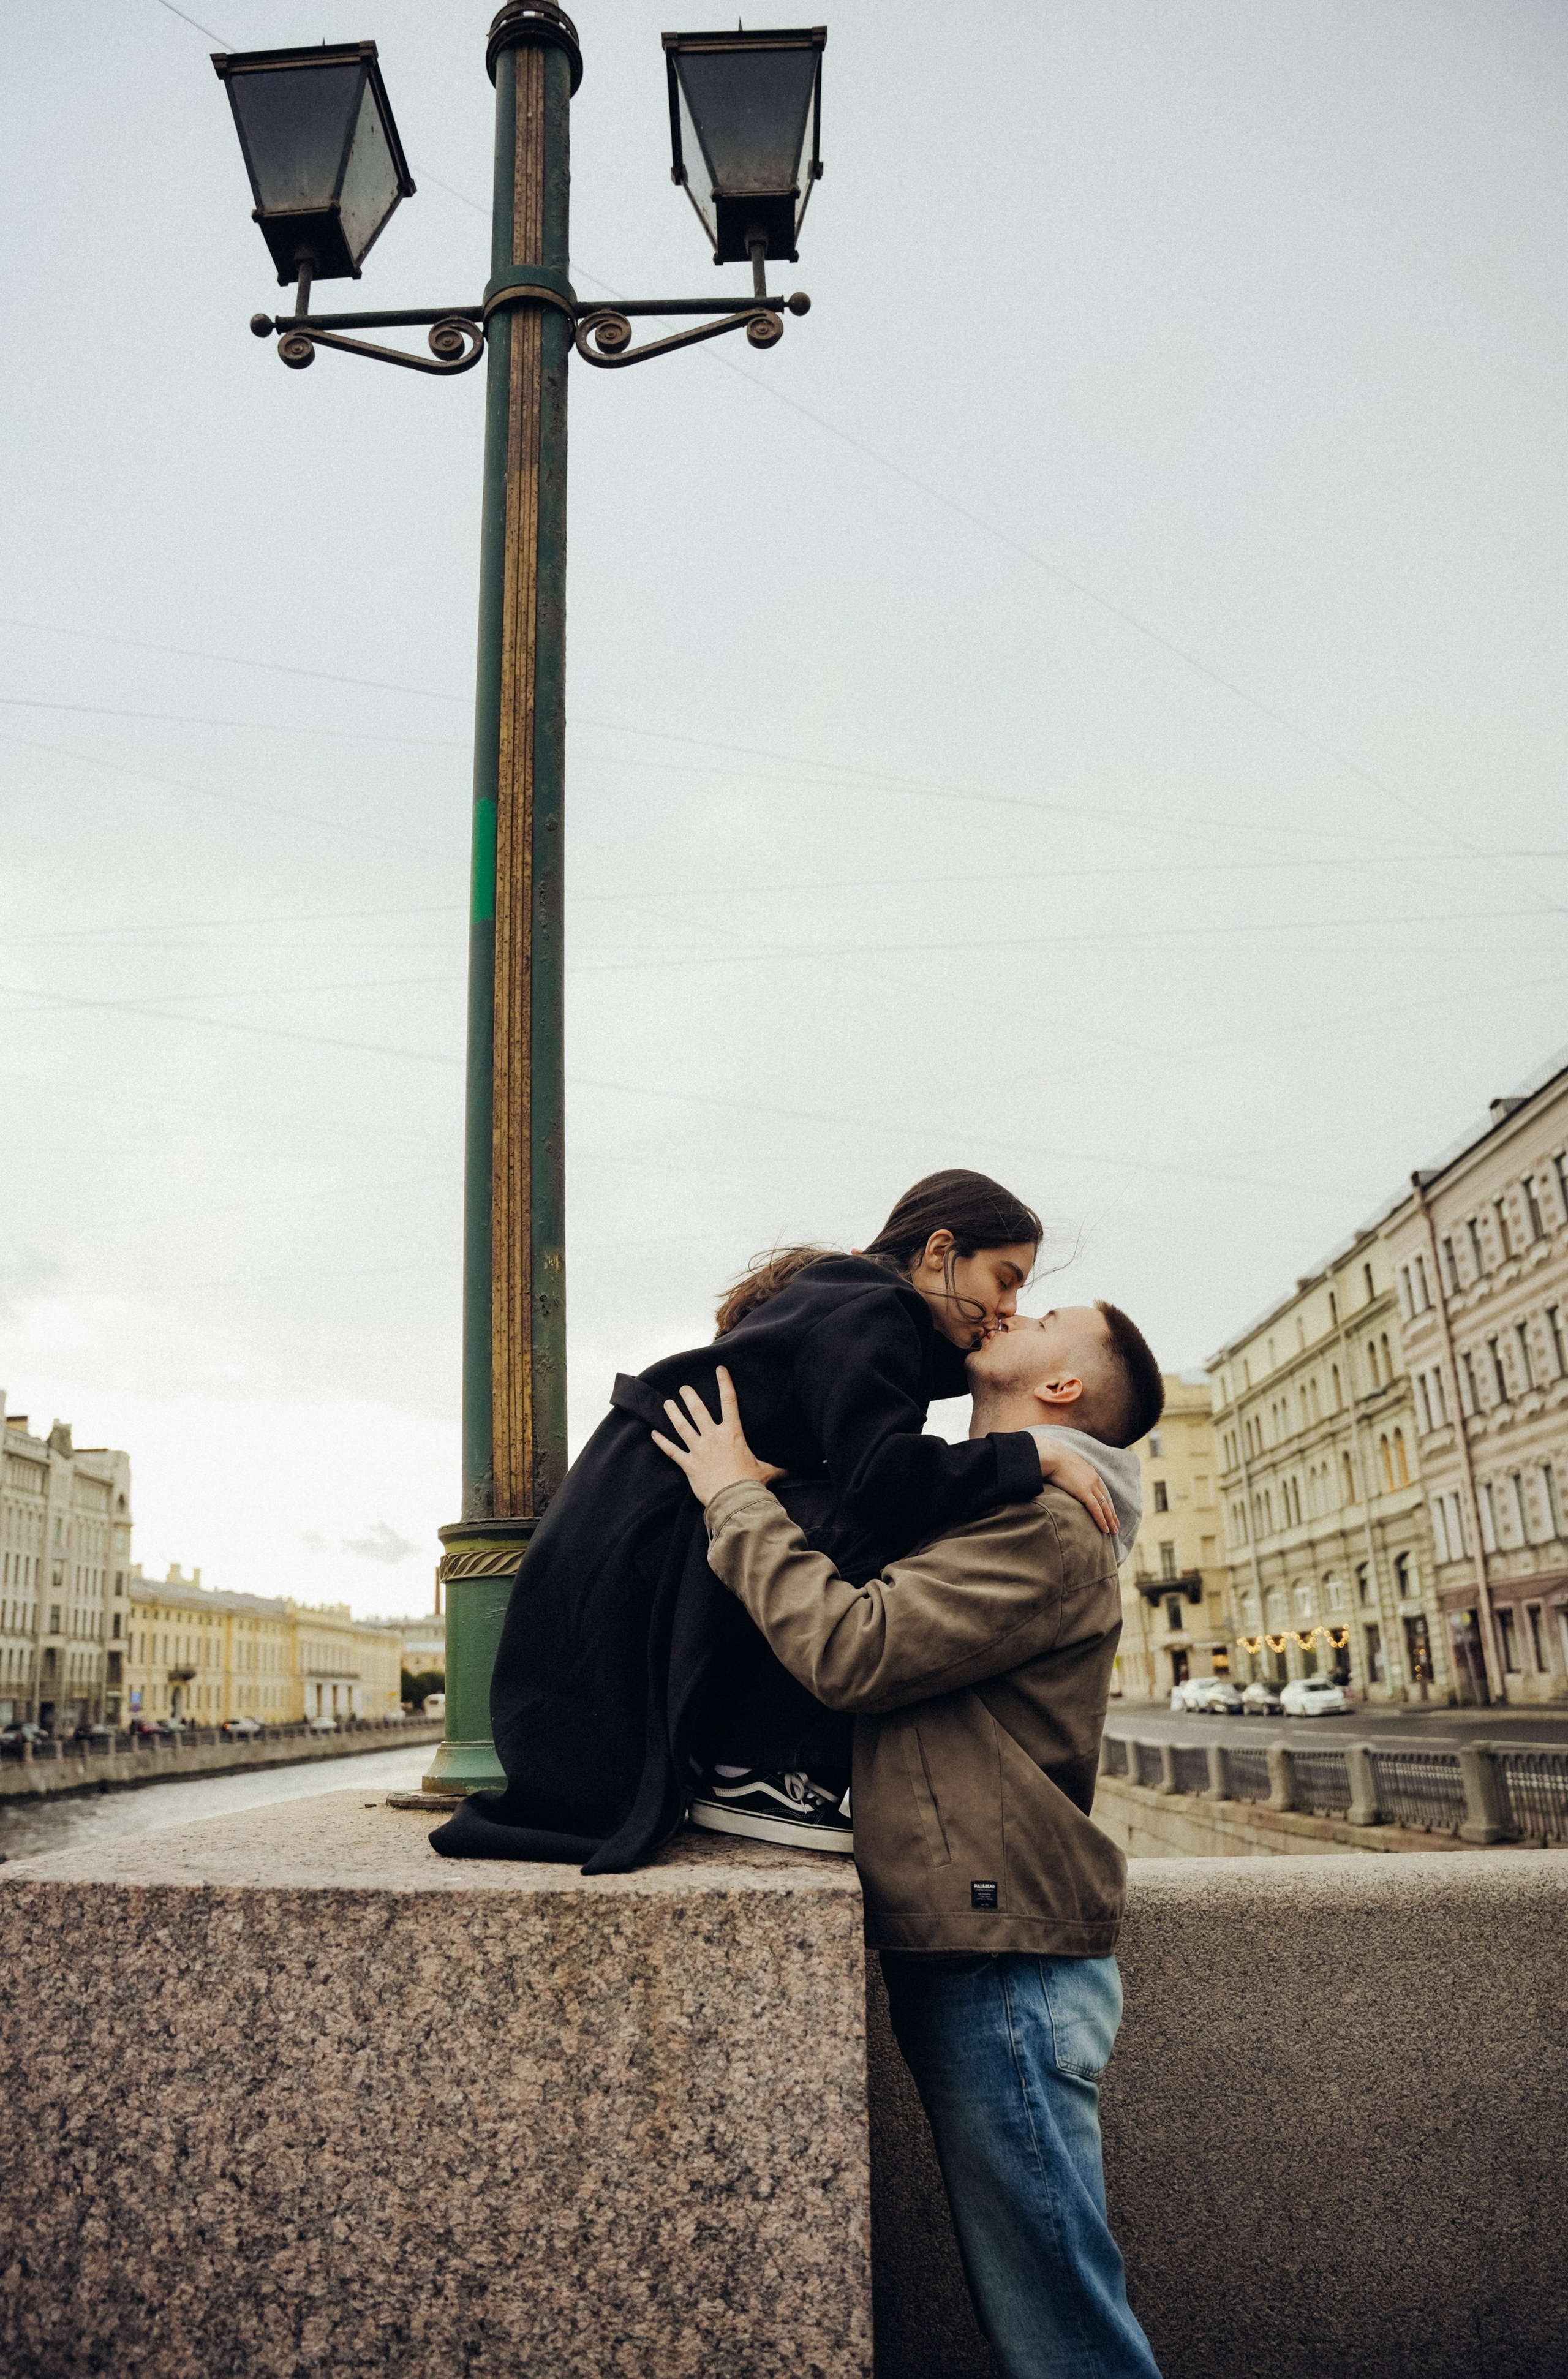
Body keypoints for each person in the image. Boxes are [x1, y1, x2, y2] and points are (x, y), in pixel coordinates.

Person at [650, 1305, 1165, 2379]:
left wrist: (732, 1495)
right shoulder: (999, 1499)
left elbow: (854, 1645)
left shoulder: (1044, 1529)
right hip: (985, 1939)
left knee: (1063, 2327)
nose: (1014, 1305)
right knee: (1044, 2305)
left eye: (1048, 1310)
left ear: (1064, 1388)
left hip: (1007, 1961)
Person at [429, 1171, 1119, 1872]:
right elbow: (883, 1478)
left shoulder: (857, 1299)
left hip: (635, 1508)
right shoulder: (880, 1310)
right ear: (941, 1249)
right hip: (660, 1513)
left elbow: (934, 1381)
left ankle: (750, 1767)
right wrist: (1028, 1454)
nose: (1005, 1308)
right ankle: (770, 1773)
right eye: (1005, 1279)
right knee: (884, 1535)